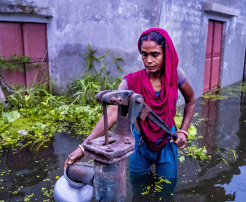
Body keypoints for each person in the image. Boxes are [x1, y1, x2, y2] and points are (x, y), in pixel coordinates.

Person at [64, 28, 195, 182]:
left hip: (167, 141)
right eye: (144, 54)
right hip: (139, 143)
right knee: (138, 186)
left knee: (166, 189)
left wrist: (183, 132)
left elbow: (191, 100)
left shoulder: (175, 75)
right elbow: (113, 113)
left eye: (155, 54)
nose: (149, 60)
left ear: (166, 53)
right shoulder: (130, 82)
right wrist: (83, 148)